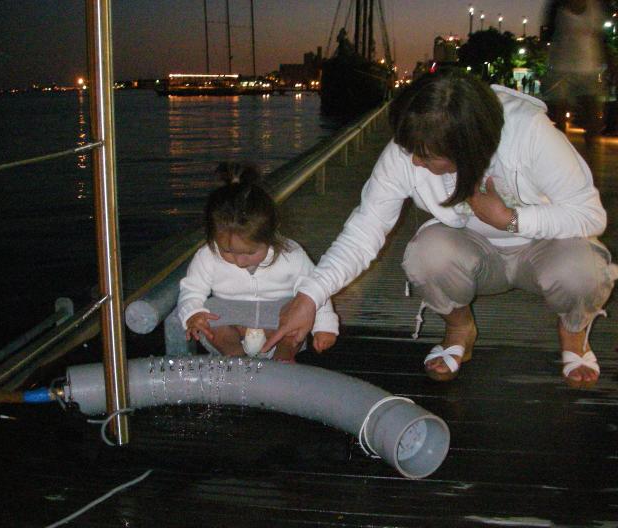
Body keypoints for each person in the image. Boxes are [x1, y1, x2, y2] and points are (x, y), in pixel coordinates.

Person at [263, 69, 617, 388]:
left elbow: (590, 214)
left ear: (468, 148)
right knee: (426, 254)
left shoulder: (528, 131)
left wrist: (512, 219)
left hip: (544, 247)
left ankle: (573, 333)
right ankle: (459, 328)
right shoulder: (410, 148)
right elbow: (365, 229)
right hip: (473, 250)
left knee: (584, 270)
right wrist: (310, 296)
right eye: (410, 150)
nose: (414, 161)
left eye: (426, 155)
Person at [177, 162, 339, 361]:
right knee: (211, 315)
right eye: (227, 251)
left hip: (278, 316)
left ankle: (284, 356)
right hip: (232, 317)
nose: (239, 261)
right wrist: (193, 313)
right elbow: (191, 289)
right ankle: (233, 355)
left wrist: (325, 326)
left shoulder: (291, 254)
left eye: (249, 253)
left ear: (270, 236)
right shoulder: (207, 256)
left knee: (295, 318)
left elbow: (315, 288)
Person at [542, 0, 607, 139]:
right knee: (559, 119)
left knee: (593, 119)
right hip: (561, 68)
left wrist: (609, 62)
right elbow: (547, 33)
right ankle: (559, 148)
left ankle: (591, 149)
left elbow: (601, 37)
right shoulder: (557, 6)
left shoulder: (595, 6)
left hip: (588, 68)